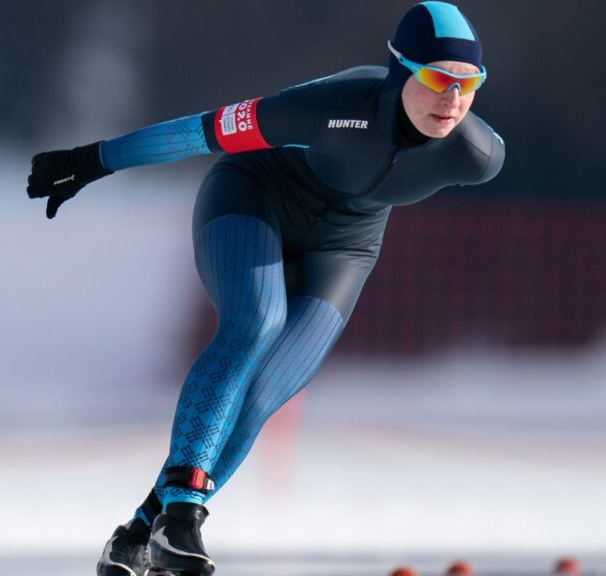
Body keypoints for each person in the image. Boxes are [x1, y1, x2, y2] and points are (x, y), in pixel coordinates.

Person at [26, 3, 504, 575]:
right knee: (257, 321)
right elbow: (201, 132)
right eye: (438, 78)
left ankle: (141, 532)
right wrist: (89, 161)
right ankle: (181, 517)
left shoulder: (477, 154)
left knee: (265, 392)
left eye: (469, 82)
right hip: (252, 198)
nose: (453, 99)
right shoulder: (331, 107)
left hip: (344, 248)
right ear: (401, 70)